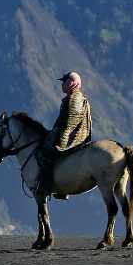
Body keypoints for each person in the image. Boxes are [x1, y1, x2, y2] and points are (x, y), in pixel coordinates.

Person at [36, 71, 93, 199]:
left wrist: (56, 139)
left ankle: (49, 186)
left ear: (72, 83)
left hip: (73, 137)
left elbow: (69, 124)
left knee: (46, 155)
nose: (62, 84)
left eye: (65, 82)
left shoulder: (75, 99)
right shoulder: (74, 98)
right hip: (73, 135)